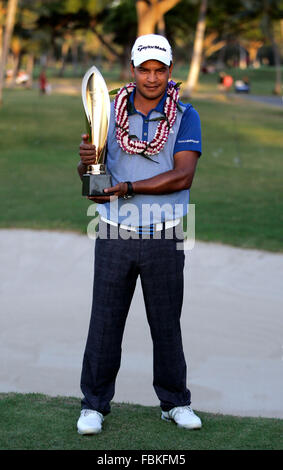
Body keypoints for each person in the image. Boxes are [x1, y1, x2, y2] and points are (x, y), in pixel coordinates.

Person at [76, 34, 202, 435]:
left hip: (165, 233)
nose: (151, 78)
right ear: (132, 69)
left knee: (166, 323)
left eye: (159, 70)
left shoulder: (186, 114)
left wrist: (130, 188)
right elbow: (91, 181)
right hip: (115, 231)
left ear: (170, 71)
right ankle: (94, 406)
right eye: (144, 69)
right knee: (105, 321)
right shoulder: (108, 112)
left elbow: (183, 175)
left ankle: (174, 402)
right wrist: (86, 164)